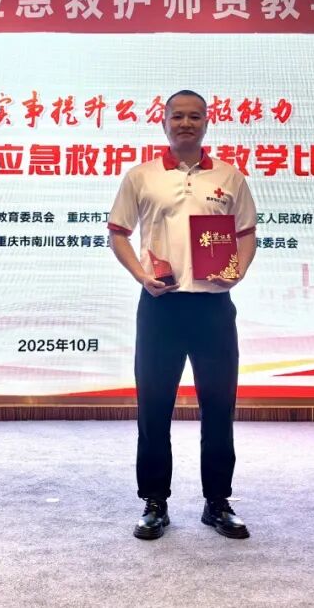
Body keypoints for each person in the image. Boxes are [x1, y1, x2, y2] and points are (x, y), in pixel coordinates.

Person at [108, 89, 257, 540]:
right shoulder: (142, 176)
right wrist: (141, 277)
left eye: (195, 117)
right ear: (164, 122)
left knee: (219, 407)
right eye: (178, 116)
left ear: (207, 123)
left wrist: (237, 271)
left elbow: (246, 233)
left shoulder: (229, 177)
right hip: (161, 305)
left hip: (213, 306)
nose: (186, 124)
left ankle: (218, 502)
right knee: (154, 408)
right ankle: (155, 502)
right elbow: (118, 233)